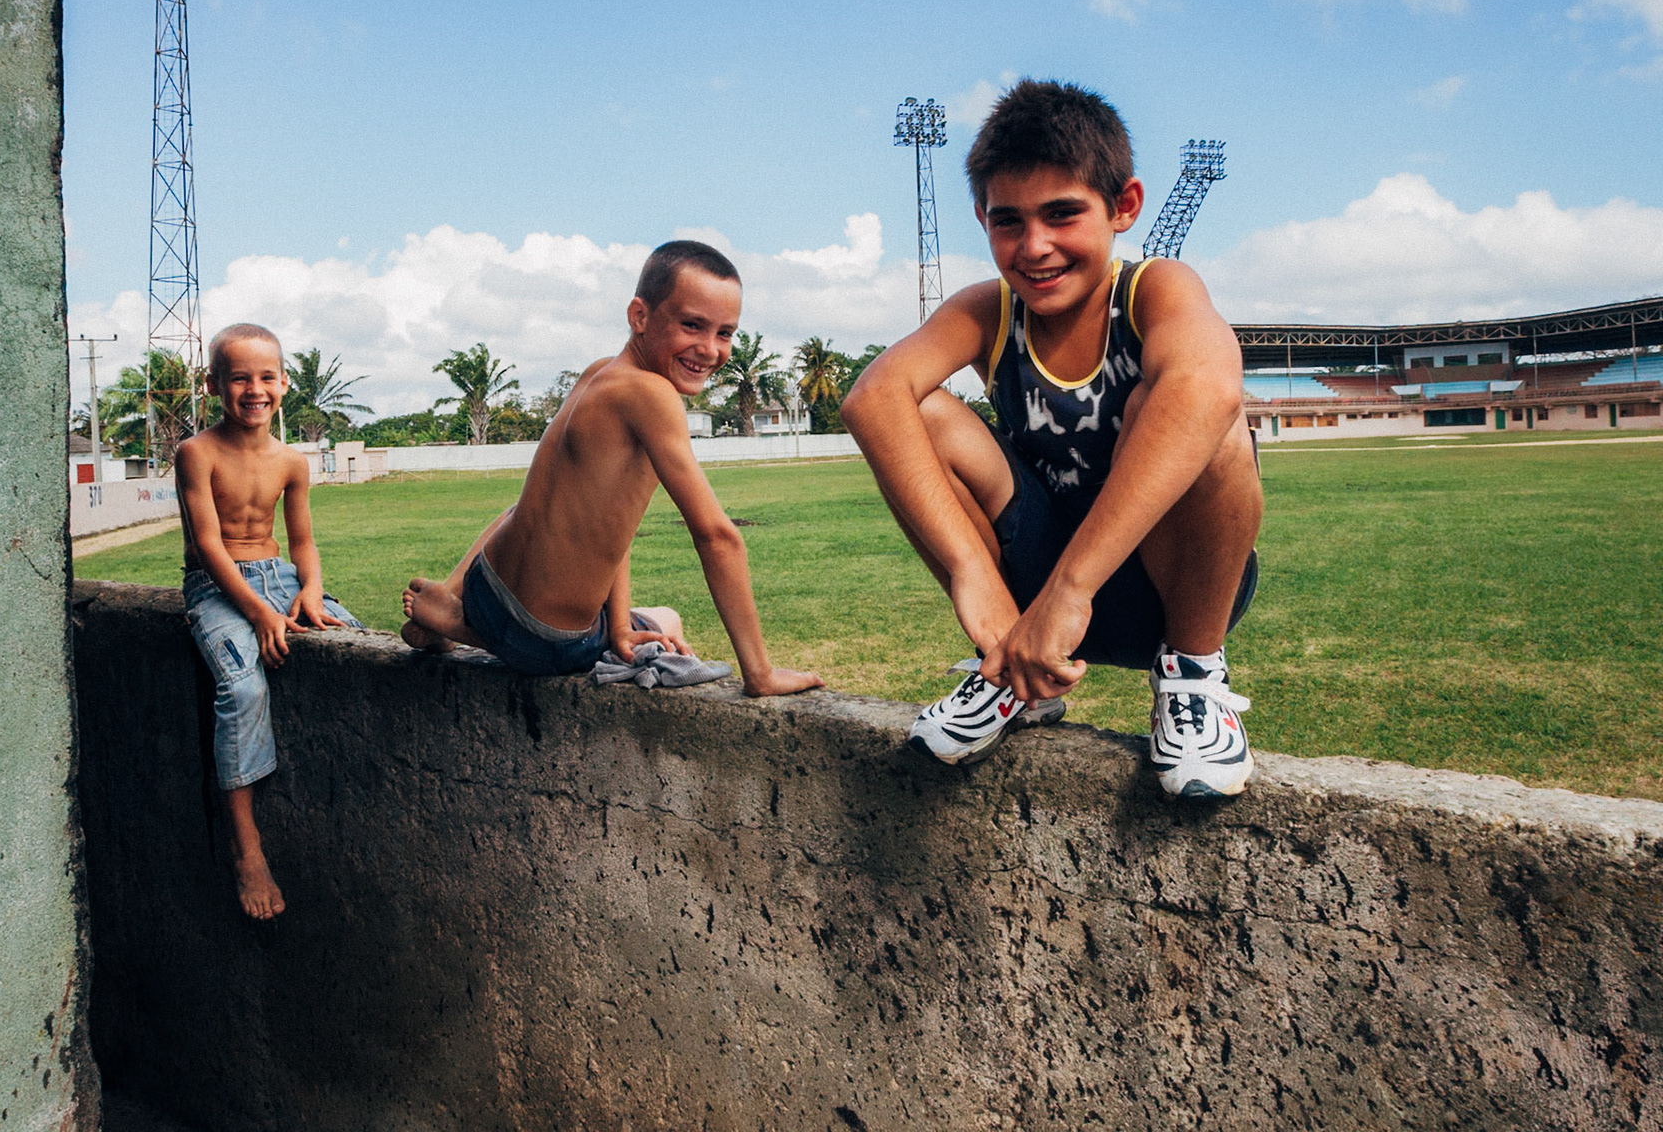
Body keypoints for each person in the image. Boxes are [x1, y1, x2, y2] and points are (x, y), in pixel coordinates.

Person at [843, 80, 1262, 796]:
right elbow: (873, 397)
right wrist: (975, 575)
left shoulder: (1155, 290)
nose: (1034, 247)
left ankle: (1194, 678)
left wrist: (1071, 589)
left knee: (1206, 419)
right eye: (1008, 221)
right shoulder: (989, 311)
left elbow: (1210, 389)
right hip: (1031, 607)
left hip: (1171, 590)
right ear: (981, 217)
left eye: (1062, 214)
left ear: (1123, 206)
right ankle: (1008, 672)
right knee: (928, 414)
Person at [401, 240, 823, 701]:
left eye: (725, 333)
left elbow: (612, 528)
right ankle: (463, 626)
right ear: (639, 316)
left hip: (486, 586)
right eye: (691, 325)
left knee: (520, 510)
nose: (708, 349)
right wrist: (759, 672)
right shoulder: (653, 396)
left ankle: (455, 603)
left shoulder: (599, 373)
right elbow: (716, 535)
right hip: (547, 640)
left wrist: (620, 626)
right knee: (670, 620)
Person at [176, 323, 363, 919]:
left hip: (278, 576)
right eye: (239, 379)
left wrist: (309, 591)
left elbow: (303, 542)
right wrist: (257, 613)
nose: (254, 390)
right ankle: (248, 850)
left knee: (357, 639)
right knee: (242, 685)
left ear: (283, 383)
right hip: (217, 586)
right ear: (214, 386)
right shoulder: (196, 453)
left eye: (265, 377)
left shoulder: (292, 461)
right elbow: (208, 546)